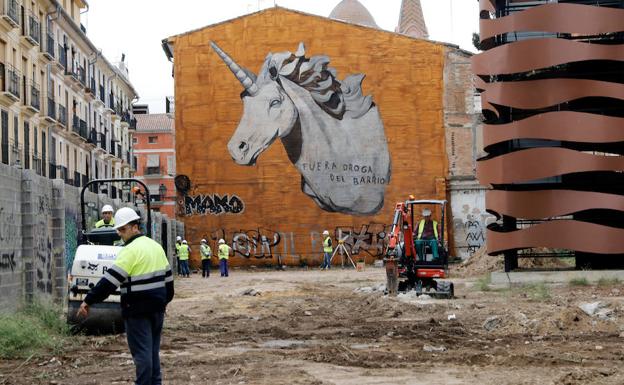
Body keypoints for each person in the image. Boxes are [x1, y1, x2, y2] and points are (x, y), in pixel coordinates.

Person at [76, 207, 174, 385]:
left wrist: (88, 300)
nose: (120, 234)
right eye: (119, 230)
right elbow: (169, 282)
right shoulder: (156, 247)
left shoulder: (129, 251)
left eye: (123, 229)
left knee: (142, 353)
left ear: (135, 227)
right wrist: (163, 303)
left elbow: (109, 282)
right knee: (152, 352)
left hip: (137, 311)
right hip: (157, 309)